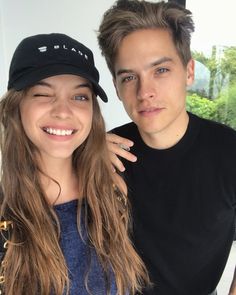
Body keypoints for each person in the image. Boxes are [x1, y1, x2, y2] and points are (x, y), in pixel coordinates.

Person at [97, 1, 236, 295]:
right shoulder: (105, 151)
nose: (145, 91)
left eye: (160, 69)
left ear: (188, 71)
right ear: (116, 85)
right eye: (129, 77)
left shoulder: (228, 151)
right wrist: (79, 157)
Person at [0, 33, 149, 295]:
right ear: (16, 106)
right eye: (43, 94)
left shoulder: (112, 190)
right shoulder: (6, 215)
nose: (63, 111)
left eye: (80, 97)